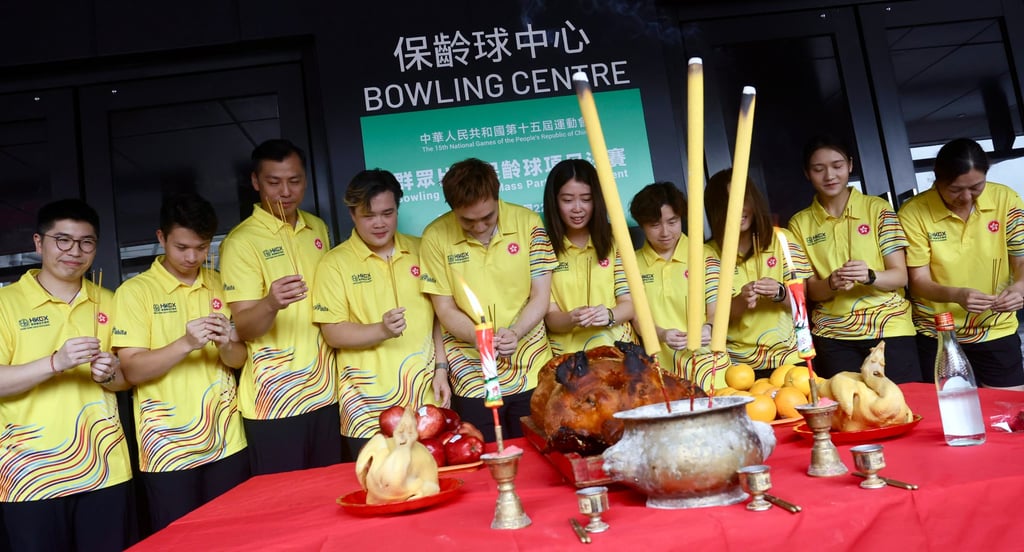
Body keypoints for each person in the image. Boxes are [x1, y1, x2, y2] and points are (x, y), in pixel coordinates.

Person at [112, 193, 249, 531]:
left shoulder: (217, 283)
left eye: (201, 248)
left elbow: (238, 359)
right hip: (167, 449)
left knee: (236, 537)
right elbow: (131, 369)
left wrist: (225, 342)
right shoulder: (135, 292)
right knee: (181, 540)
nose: (192, 257)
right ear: (161, 238)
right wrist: (186, 343)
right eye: (182, 247)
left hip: (227, 439)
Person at [0, 199, 132, 551]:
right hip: (29, 474)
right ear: (38, 243)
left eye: (86, 242)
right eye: (63, 240)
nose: (75, 251)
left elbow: (126, 381)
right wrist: (55, 362)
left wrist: (109, 374)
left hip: (106, 469)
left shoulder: (111, 301)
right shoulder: (5, 304)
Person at [219, 139, 340, 474]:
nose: (285, 191)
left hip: (326, 392)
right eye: (274, 182)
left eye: (295, 180)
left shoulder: (316, 227)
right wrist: (271, 302)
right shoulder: (241, 242)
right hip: (274, 403)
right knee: (288, 508)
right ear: (256, 183)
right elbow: (242, 328)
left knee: (331, 496)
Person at [313, 169, 451, 459]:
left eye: (387, 213)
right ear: (352, 214)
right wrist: (381, 330)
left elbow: (439, 317)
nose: (379, 223)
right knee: (381, 490)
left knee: (433, 484)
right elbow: (332, 332)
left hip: (425, 402)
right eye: (368, 215)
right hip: (365, 411)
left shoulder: (421, 249)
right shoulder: (334, 263)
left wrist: (441, 369)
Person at [419, 158, 557, 442]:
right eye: (467, 221)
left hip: (530, 367)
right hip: (471, 374)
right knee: (484, 456)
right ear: (452, 208)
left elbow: (541, 296)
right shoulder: (435, 236)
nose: (479, 227)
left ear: (497, 196)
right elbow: (444, 308)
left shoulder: (528, 223)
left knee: (540, 456)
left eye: (488, 217)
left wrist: (516, 332)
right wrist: (480, 338)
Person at [787, 136, 920, 383]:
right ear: (807, 173)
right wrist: (831, 283)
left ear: (850, 165)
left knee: (905, 406)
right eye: (819, 169)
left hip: (889, 329)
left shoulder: (878, 209)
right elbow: (808, 292)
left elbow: (900, 276)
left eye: (837, 166)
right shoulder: (799, 223)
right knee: (851, 413)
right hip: (834, 336)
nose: (829, 175)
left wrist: (870, 276)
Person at [899, 137, 1024, 389]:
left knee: (1008, 415)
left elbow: (1021, 260)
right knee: (951, 414)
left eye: (976, 187)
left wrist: (1020, 288)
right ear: (937, 180)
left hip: (995, 327)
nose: (966, 197)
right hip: (938, 333)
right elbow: (918, 282)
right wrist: (958, 295)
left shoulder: (1006, 200)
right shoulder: (913, 213)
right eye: (956, 189)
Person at [705, 169, 812, 373]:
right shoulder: (708, 254)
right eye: (728, 203)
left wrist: (780, 292)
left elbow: (803, 299)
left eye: (743, 199)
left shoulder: (782, 239)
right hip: (738, 366)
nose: (737, 209)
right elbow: (714, 315)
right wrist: (741, 300)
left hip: (790, 357)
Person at [629, 182, 720, 387]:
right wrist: (662, 334)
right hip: (663, 375)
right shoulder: (631, 263)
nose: (665, 232)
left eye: (672, 221)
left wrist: (708, 328)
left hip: (711, 369)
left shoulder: (705, 255)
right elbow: (637, 318)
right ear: (641, 224)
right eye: (654, 225)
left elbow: (718, 309)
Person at [541, 159, 636, 355]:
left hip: (618, 352)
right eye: (567, 200)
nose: (577, 208)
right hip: (568, 360)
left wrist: (609, 315)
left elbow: (629, 304)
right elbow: (550, 317)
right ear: (554, 201)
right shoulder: (542, 246)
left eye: (586, 199)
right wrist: (571, 318)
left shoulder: (615, 239)